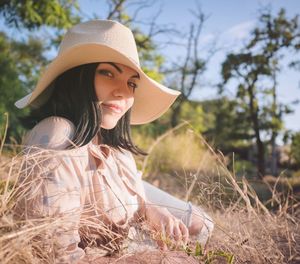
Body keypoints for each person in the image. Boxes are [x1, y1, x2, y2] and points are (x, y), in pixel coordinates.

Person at [14, 20, 214, 263]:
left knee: (203, 224)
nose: (124, 92)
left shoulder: (116, 148)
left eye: (132, 83)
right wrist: (150, 259)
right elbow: (53, 254)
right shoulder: (59, 133)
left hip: (128, 231)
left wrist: (149, 209)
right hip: (117, 250)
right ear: (77, 77)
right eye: (108, 73)